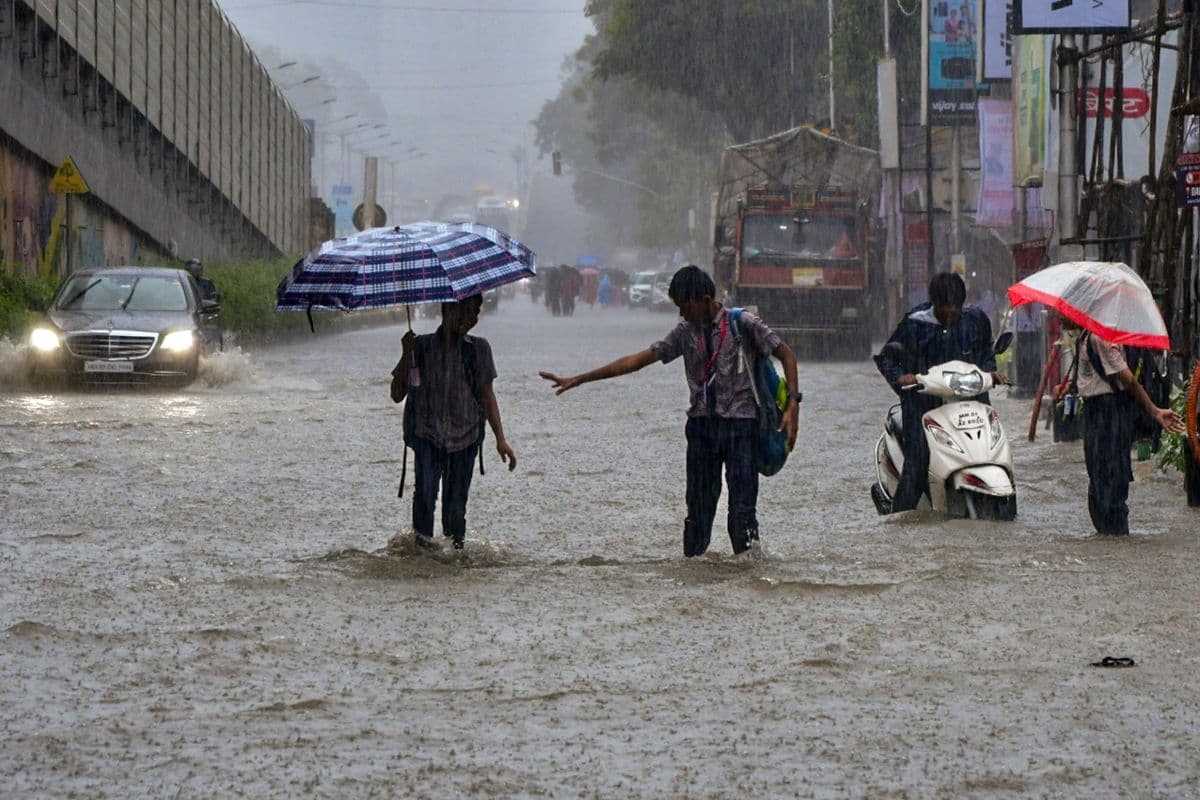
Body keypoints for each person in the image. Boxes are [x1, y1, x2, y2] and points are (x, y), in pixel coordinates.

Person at [539, 265, 800, 557]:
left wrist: (793, 405)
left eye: (684, 306)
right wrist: (581, 378)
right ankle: (693, 570)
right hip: (701, 430)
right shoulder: (684, 334)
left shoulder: (743, 324)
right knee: (698, 513)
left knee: (742, 512)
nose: (681, 314)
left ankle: (750, 571)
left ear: (703, 299)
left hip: (742, 429)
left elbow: (786, 355)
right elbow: (637, 360)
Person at [873, 272, 1007, 514]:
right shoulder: (915, 323)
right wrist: (902, 379)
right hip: (924, 404)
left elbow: (986, 353)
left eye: (955, 307)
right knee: (918, 462)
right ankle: (900, 513)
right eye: (945, 306)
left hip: (968, 401)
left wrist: (991, 372)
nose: (950, 313)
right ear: (934, 302)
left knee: (991, 449)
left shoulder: (976, 320)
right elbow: (886, 358)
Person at [390, 294, 516, 549]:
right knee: (424, 499)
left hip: (466, 437)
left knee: (456, 508)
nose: (470, 319)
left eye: (475, 312)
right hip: (427, 435)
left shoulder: (479, 349)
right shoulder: (420, 347)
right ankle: (423, 556)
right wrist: (406, 355)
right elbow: (397, 394)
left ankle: (455, 556)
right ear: (447, 310)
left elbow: (487, 395)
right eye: (465, 311)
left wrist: (500, 439)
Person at [1073, 328, 1184, 535]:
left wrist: (1154, 411)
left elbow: (1128, 379)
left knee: (1110, 485)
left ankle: (1115, 538)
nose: (1060, 316)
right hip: (1095, 412)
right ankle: (1109, 544)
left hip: (1108, 414)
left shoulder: (1102, 337)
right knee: (1098, 483)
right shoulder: (1086, 336)